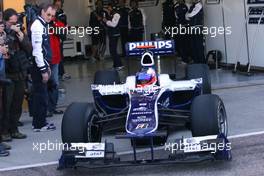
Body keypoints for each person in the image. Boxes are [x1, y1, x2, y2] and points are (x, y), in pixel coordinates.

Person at [1, 8, 32, 141]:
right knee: (6, 105)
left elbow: (29, 49)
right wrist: (10, 35)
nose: (14, 25)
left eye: (16, 22)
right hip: (8, 74)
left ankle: (14, 129)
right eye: (11, 23)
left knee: (17, 103)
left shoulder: (19, 32)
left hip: (20, 73)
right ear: (6, 22)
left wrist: (21, 36)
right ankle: (4, 131)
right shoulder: (3, 34)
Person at [30, 3, 56, 132]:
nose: (50, 17)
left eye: (52, 15)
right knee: (40, 95)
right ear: (42, 12)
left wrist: (47, 66)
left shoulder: (43, 25)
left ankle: (40, 122)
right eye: (48, 14)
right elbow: (37, 51)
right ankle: (39, 124)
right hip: (38, 65)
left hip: (42, 64)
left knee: (42, 94)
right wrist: (43, 70)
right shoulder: (37, 26)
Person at [47, 15, 65, 117]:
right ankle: (46, 108)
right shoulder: (39, 24)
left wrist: (54, 26)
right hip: (45, 59)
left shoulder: (58, 23)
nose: (51, 16)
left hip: (56, 58)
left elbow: (63, 36)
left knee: (55, 84)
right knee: (45, 85)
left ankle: (53, 107)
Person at [103, 2, 124, 70]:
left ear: (112, 7)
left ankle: (119, 64)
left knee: (113, 50)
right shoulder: (111, 14)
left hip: (115, 34)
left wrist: (106, 21)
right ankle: (115, 65)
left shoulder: (116, 14)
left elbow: (114, 24)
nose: (108, 9)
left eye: (108, 7)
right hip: (111, 34)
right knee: (112, 50)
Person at [53, 0, 71, 81]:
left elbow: (65, 24)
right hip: (55, 36)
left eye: (59, 5)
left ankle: (61, 73)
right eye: (56, 4)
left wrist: (65, 29)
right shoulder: (52, 13)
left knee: (60, 55)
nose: (58, 6)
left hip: (61, 36)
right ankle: (59, 73)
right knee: (57, 55)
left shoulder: (63, 13)